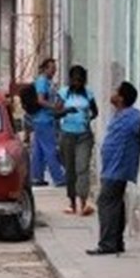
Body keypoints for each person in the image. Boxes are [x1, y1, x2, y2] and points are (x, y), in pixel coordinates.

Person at [86, 82, 140, 256]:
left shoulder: (131, 115)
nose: (112, 94)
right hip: (112, 167)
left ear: (121, 98)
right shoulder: (119, 115)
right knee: (115, 203)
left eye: (116, 91)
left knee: (106, 203)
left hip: (117, 167)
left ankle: (107, 243)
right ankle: (116, 241)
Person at [57, 65, 99, 216]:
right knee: (70, 169)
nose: (77, 84)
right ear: (70, 80)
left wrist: (87, 118)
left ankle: (83, 202)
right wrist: (66, 111)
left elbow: (95, 112)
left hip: (84, 135)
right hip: (67, 135)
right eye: (74, 80)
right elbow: (55, 112)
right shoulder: (63, 93)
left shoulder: (88, 94)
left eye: (80, 81)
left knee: (82, 167)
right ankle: (72, 202)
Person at [30, 58, 66, 187]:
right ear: (45, 69)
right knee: (50, 149)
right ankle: (58, 177)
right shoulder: (42, 81)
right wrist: (54, 107)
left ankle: (36, 176)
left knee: (38, 150)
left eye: (55, 68)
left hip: (42, 119)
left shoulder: (47, 82)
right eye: (52, 68)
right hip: (44, 119)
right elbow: (40, 100)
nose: (54, 71)